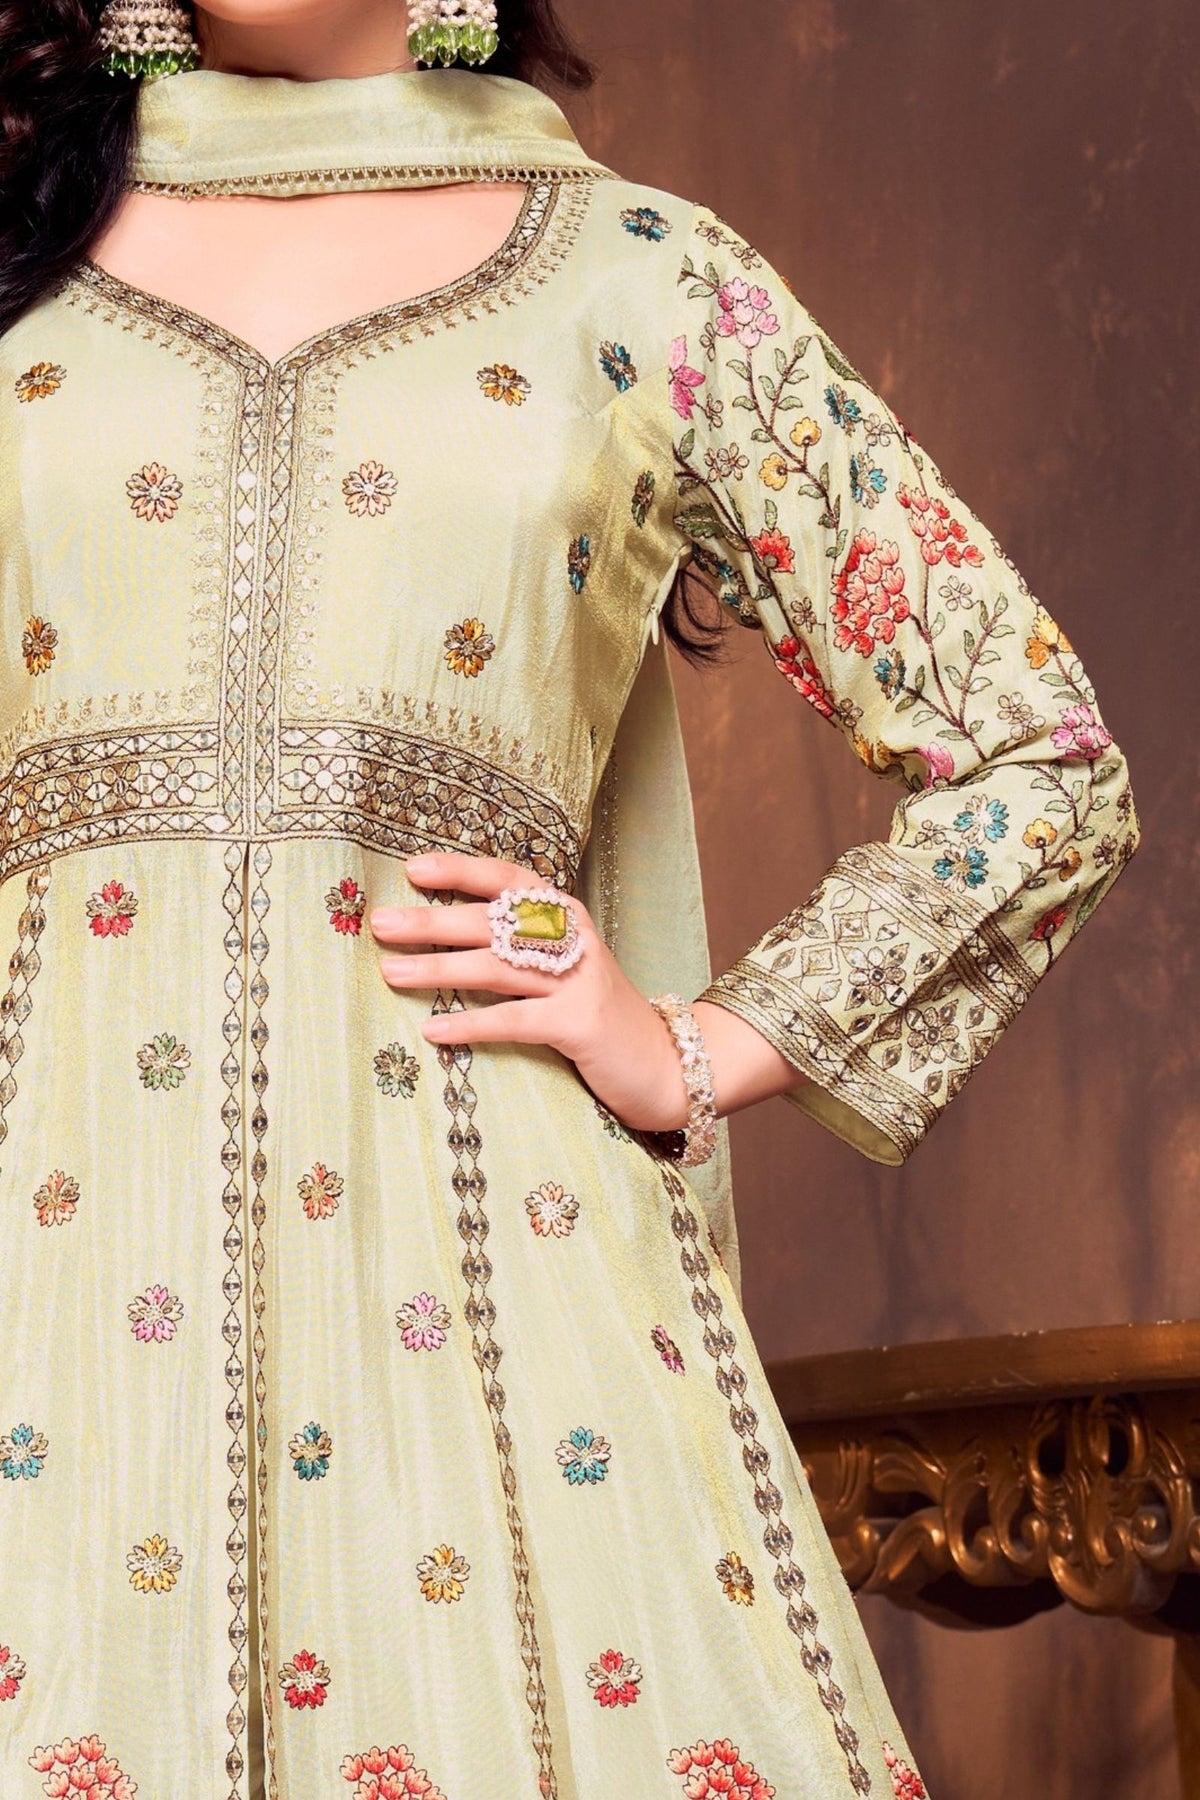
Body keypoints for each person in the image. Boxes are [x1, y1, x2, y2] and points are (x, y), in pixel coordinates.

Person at [0, 2, 1140, 1796]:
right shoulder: (21, 254)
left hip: (488, 1292)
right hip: (49, 1273)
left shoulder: (639, 277)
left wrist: (700, 1043)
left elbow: (1040, 758)